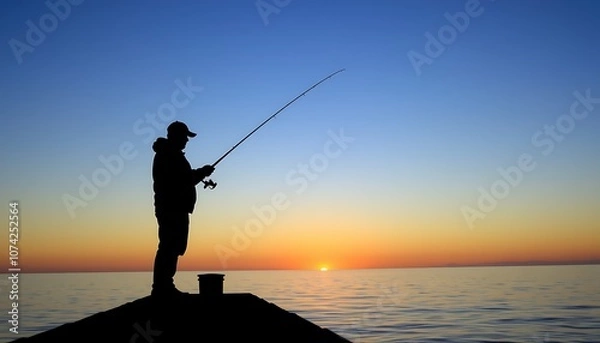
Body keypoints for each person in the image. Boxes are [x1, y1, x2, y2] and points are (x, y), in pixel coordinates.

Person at [150, 120, 214, 297]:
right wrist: (202, 172)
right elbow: (181, 181)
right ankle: (162, 288)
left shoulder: (172, 154)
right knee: (169, 246)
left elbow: (184, 177)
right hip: (172, 208)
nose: (186, 140)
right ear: (175, 136)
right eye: (184, 137)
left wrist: (201, 172)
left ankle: (165, 286)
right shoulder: (168, 155)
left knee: (173, 246)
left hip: (176, 207)